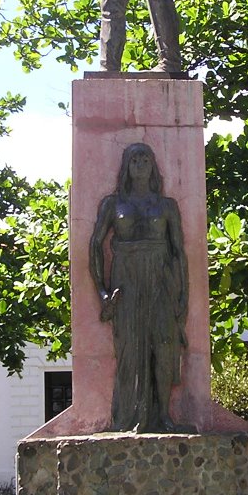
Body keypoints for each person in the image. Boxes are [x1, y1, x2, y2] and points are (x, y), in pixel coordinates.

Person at [89, 142, 188, 432]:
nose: (141, 164)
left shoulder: (167, 205)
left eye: (146, 159)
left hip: (160, 279)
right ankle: (131, 416)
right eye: (135, 159)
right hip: (126, 280)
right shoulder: (113, 203)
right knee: (130, 350)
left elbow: (179, 251)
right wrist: (102, 291)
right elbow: (95, 245)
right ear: (127, 167)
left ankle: (163, 415)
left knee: (163, 346)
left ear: (153, 166)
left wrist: (184, 293)